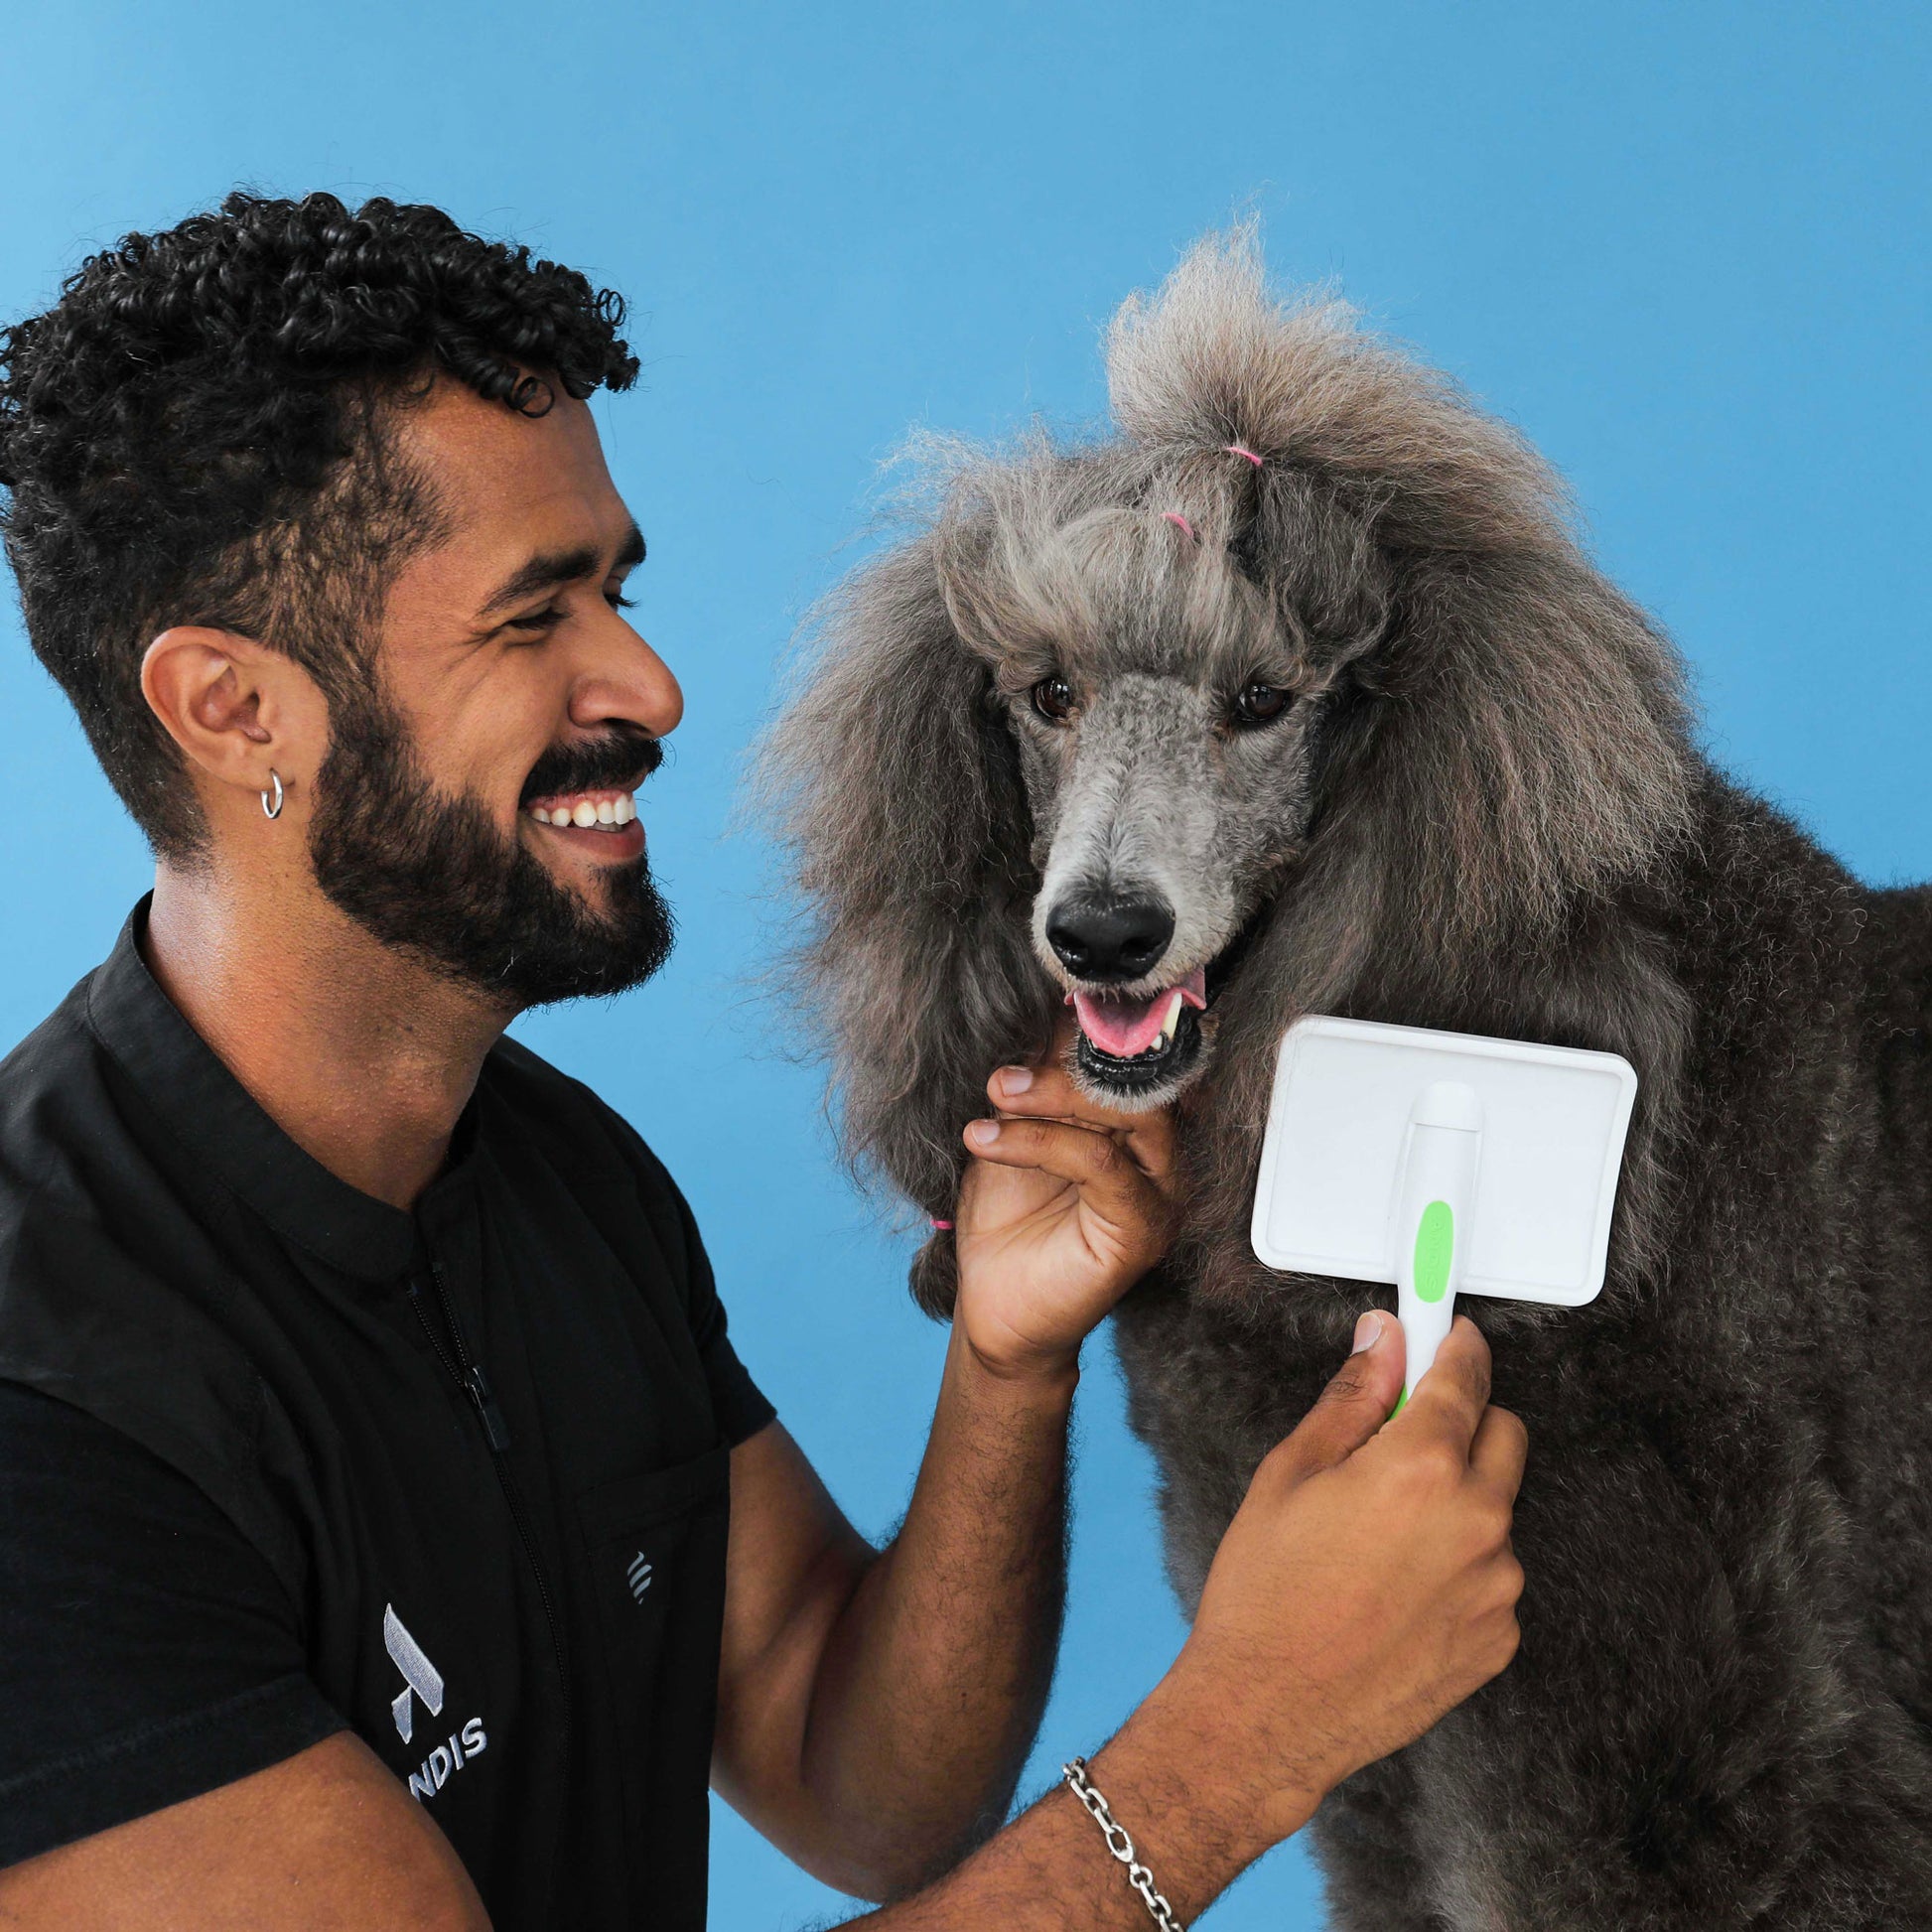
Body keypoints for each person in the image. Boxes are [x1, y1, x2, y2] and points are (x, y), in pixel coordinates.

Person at [0, 192, 1526, 1930]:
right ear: (232, 707)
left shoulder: (556, 1176)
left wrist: (1005, 1365)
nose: (646, 682)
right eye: (532, 616)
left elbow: (853, 1779)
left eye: (618, 588)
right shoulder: (39, 1415)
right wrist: (1244, 1737)